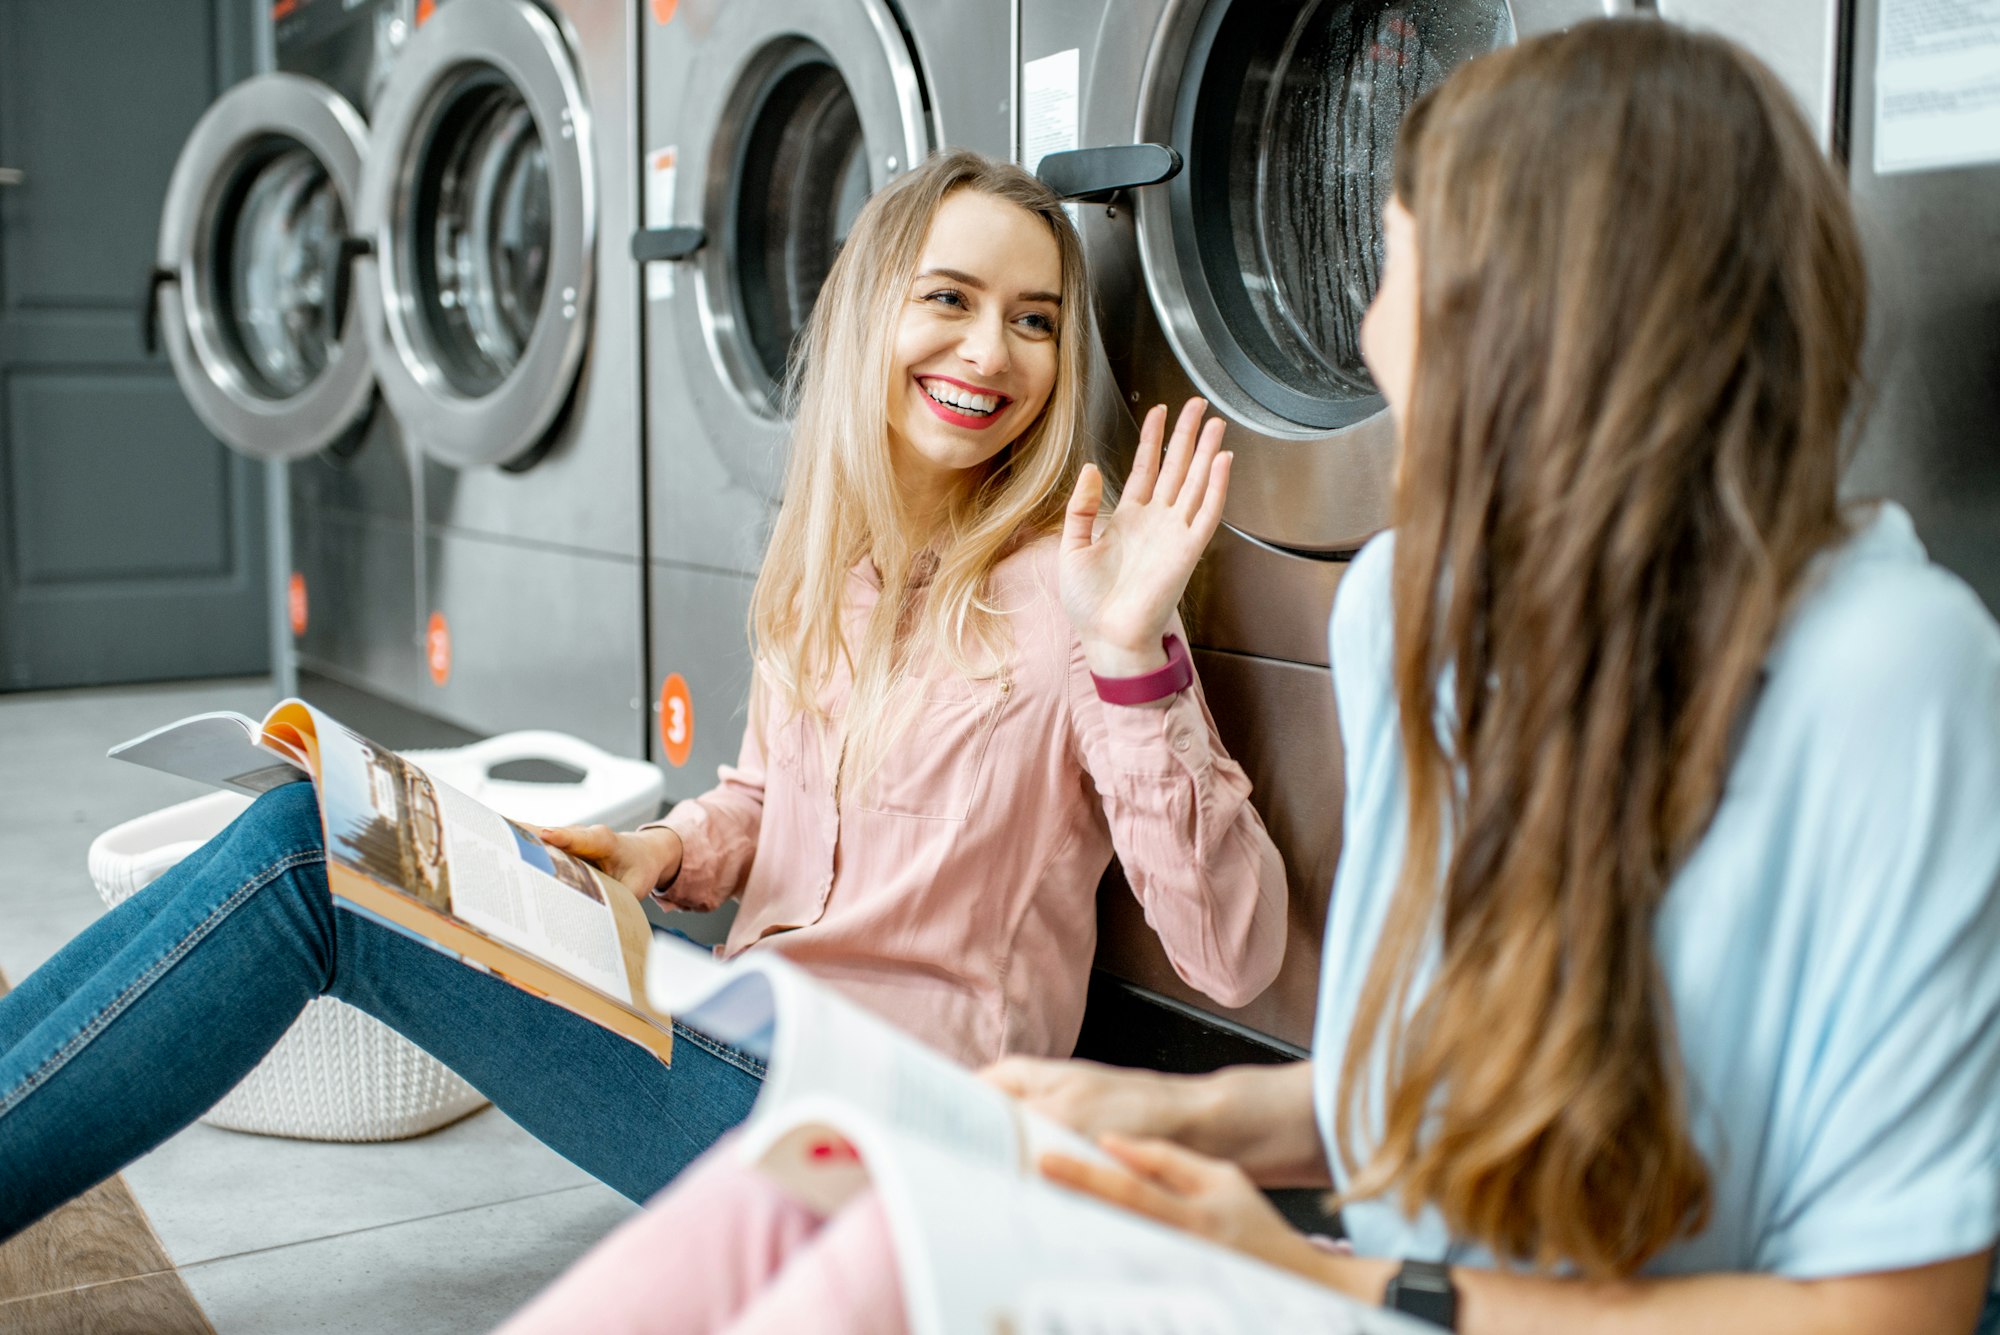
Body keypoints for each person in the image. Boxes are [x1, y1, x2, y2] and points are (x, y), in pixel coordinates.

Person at [494, 20, 2000, 1335]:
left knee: (841, 1228)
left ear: (1543, 313)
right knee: (767, 1206)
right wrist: (1184, 1115)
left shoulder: (1892, 668)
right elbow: (1429, 1089)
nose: (1366, 330)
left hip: (1406, 1293)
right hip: (1350, 1255)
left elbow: (1894, 1307)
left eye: (1398, 270)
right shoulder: (1416, 600)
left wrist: (1338, 1272)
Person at [0, 151, 1287, 1240]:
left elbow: (1232, 959)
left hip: (879, 1133)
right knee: (327, 825)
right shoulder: (832, 559)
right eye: (947, 298)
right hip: (738, 1021)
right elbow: (766, 804)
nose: (989, 351)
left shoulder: (1079, 594)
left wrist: (1130, 652)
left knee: (308, 863)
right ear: (867, 315)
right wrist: (661, 850)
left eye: (1034, 319)